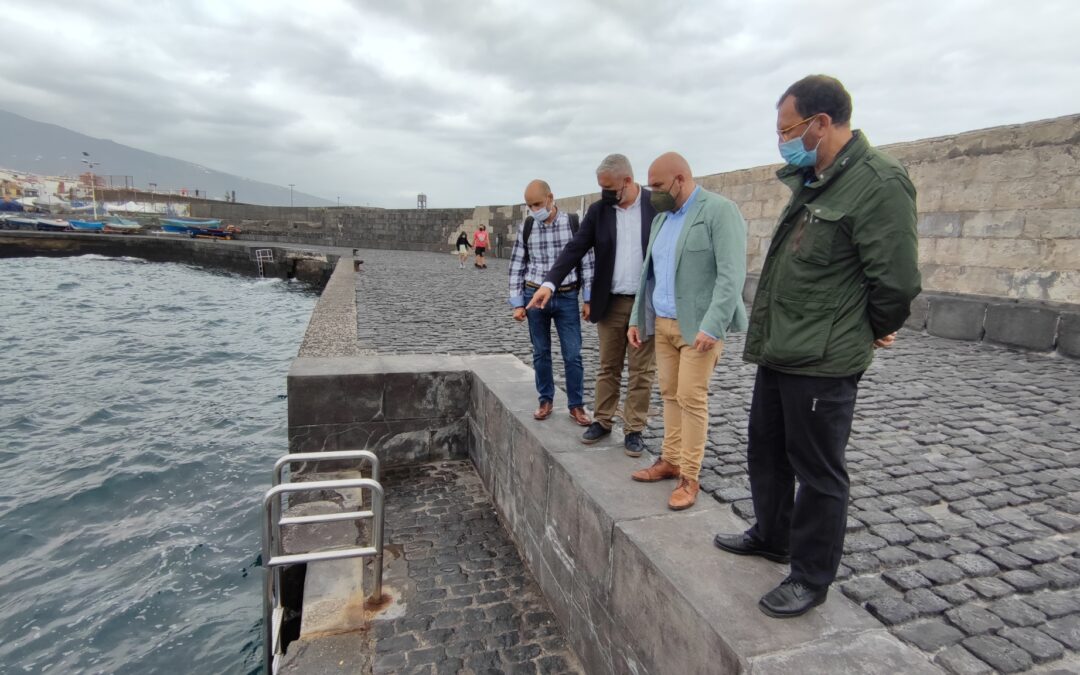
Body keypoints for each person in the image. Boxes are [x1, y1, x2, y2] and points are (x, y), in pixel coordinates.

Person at [713, 75, 921, 619]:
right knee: (766, 450)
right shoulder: (813, 178)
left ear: (821, 123)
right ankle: (772, 534)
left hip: (823, 359)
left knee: (818, 470)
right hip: (782, 348)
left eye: (788, 129)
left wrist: (864, 329)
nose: (781, 140)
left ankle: (809, 577)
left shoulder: (879, 182)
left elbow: (896, 282)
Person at [626, 153, 747, 511]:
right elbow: (648, 273)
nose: (653, 193)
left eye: (659, 186)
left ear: (680, 179)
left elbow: (731, 275)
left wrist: (714, 324)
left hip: (699, 329)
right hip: (663, 324)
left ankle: (689, 476)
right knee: (669, 395)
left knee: (692, 398)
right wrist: (638, 318)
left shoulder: (719, 211)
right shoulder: (662, 219)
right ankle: (670, 459)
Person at [526, 154, 657, 457]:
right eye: (600, 188)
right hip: (610, 303)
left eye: (609, 187)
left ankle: (634, 429)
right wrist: (549, 283)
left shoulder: (655, 205)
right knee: (608, 367)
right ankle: (603, 420)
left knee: (641, 371)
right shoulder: (599, 211)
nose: (604, 194)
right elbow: (575, 248)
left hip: (644, 303)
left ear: (627, 181)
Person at [509, 180, 594, 426]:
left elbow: (587, 262)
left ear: (550, 198)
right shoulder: (527, 227)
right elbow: (517, 265)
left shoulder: (573, 223)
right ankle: (545, 399)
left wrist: (588, 299)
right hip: (534, 296)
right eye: (529, 206)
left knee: (573, 353)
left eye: (537, 203)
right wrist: (517, 303)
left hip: (567, 295)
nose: (534, 209)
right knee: (541, 352)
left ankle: (576, 405)